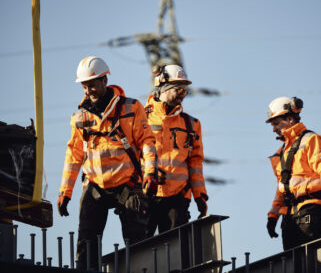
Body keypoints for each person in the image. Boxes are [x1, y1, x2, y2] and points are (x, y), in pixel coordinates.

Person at [57, 56, 157, 270]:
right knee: (86, 243)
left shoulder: (131, 107)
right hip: (95, 185)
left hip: (127, 183)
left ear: (104, 80)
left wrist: (150, 173)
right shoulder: (80, 117)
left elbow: (147, 141)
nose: (88, 91)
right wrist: (65, 192)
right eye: (84, 86)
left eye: (91, 85)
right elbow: (73, 156)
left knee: (137, 240)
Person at [265, 96, 321, 250]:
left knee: (308, 263)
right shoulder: (282, 152)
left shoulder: (312, 140)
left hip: (311, 211)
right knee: (292, 265)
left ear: (290, 119)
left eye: (276, 123)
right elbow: (282, 187)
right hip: (290, 217)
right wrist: (273, 216)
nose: (274, 129)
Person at [144, 64, 208, 237]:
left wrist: (200, 195)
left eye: (185, 91)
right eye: (178, 90)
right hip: (146, 195)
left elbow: (195, 163)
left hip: (178, 198)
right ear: (163, 88)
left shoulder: (192, 124)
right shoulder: (141, 118)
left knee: (176, 252)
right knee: (139, 248)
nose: (183, 95)